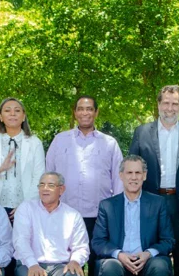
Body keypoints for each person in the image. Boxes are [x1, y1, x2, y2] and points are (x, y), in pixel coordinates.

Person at [92, 156, 176, 276]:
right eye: (129, 172)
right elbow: (98, 242)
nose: (133, 177)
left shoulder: (157, 203)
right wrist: (119, 254)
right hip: (119, 263)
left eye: (138, 173)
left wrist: (148, 253)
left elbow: (168, 240)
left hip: (147, 262)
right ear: (121, 175)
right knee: (109, 267)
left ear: (144, 176)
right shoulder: (107, 205)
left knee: (161, 266)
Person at [129, 85, 179, 262]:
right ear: (158, 104)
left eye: (174, 104)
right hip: (149, 200)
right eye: (166, 103)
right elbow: (131, 168)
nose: (169, 108)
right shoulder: (141, 132)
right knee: (150, 247)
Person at [45, 95, 123, 238]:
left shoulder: (110, 143)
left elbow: (119, 180)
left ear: (96, 112)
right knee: (65, 259)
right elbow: (48, 173)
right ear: (75, 113)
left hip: (99, 216)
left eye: (89, 109)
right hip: (64, 214)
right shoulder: (60, 140)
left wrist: (116, 213)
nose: (84, 113)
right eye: (80, 109)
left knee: (98, 259)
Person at [0, 97, 45, 217]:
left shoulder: (35, 143)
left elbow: (39, 177)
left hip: (26, 207)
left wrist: (25, 206)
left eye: (17, 110)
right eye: (7, 110)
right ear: (0, 117)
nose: (13, 113)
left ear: (23, 116)